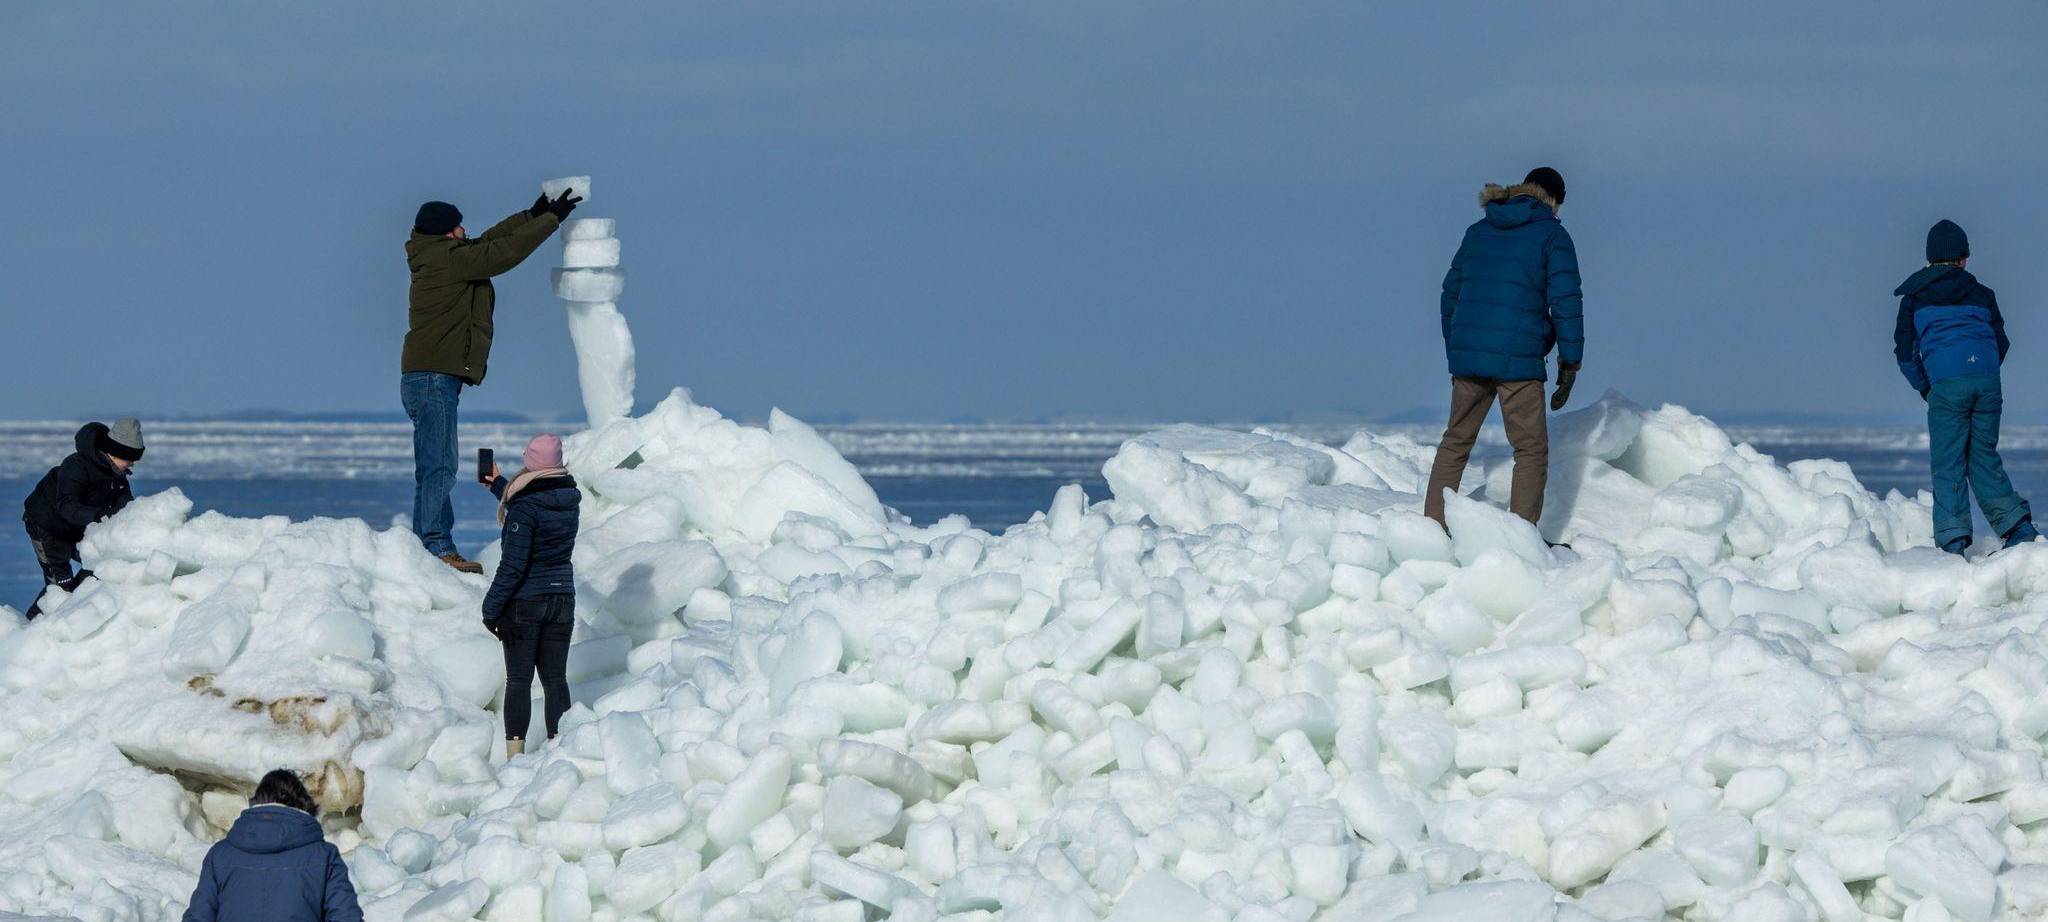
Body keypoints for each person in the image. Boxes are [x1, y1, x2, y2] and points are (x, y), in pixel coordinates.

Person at [402, 188, 581, 573]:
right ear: (444, 233)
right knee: (441, 466)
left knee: (434, 465)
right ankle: (435, 546)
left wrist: (531, 215)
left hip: (431, 378)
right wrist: (553, 221)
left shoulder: (441, 255)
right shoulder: (448, 261)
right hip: (432, 379)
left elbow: (488, 242)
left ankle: (425, 546)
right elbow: (500, 254)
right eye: (457, 225)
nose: (464, 229)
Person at [1424, 167, 1583, 530]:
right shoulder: (1552, 236)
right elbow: (1566, 303)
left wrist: (1458, 346)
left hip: (1469, 359)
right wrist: (1570, 362)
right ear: (1554, 200)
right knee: (1529, 451)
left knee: (1456, 441)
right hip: (1520, 362)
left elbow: (1450, 293)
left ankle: (1431, 528)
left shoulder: (1478, 231)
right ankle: (1521, 539)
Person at [1894, 219, 2038, 556]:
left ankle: (1954, 540)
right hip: (1987, 382)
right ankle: (2018, 528)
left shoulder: (1914, 297)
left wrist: (1927, 387)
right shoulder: (1983, 293)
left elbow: (1904, 353)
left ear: (1930, 257)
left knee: (1949, 462)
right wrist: (1981, 372)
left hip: (1946, 386)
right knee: (1983, 456)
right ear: (1962, 257)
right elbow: (2000, 340)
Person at [480, 434, 580, 755]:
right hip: (562, 599)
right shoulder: (569, 497)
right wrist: (498, 485)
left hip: (526, 603)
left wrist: (491, 608)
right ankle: (559, 750)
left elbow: (513, 566)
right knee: (555, 681)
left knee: (519, 681)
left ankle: (515, 759)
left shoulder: (525, 507)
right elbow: (538, 496)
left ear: (530, 463)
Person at [182, 769, 362, 922]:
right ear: (303, 805)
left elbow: (198, 918)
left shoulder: (220, 855)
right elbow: (346, 918)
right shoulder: (324, 856)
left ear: (257, 802)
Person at [20, 419, 143, 617]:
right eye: (130, 458)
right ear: (117, 451)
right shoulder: (76, 465)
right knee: (59, 586)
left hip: (77, 527)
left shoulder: (117, 475)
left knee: (99, 564)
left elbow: (125, 504)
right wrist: (99, 515)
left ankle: (79, 611)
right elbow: (66, 506)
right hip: (47, 526)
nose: (133, 463)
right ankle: (30, 631)